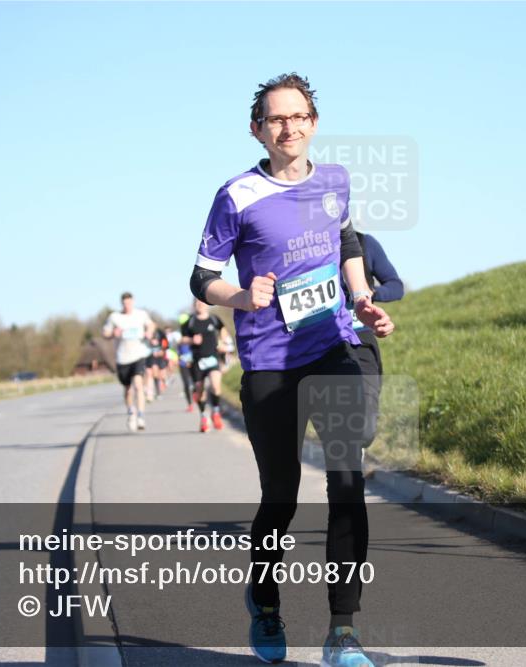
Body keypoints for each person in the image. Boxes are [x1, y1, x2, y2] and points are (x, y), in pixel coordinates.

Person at [189, 73, 393, 667]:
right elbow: (201, 277)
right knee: (280, 495)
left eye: (299, 116)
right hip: (270, 361)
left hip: (333, 346)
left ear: (314, 123)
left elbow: (347, 243)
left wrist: (361, 297)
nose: (289, 128)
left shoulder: (336, 180)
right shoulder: (236, 195)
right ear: (257, 129)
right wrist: (241, 295)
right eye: (276, 119)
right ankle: (266, 600)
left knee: (347, 481)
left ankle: (343, 632)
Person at [343, 229, 404, 439]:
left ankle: (356, 446)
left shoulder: (364, 243)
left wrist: (371, 293)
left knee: (366, 428)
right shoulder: (305, 246)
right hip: (319, 340)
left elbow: (396, 286)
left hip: (360, 337)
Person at [102, 292, 155, 431]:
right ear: (121, 304)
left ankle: (141, 416)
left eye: (129, 303)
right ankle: (131, 412)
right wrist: (113, 333)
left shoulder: (141, 314)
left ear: (133, 302)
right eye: (125, 303)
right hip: (122, 358)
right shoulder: (115, 317)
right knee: (128, 389)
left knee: (138, 385)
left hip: (138, 355)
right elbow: (105, 333)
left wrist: (149, 332)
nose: (127, 306)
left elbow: (151, 325)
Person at [181, 299, 227, 432]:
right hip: (197, 361)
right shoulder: (189, 322)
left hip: (213, 358)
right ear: (193, 305)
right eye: (197, 303)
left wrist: (223, 341)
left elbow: (222, 329)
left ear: (207, 304)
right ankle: (203, 417)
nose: (200, 305)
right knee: (200, 392)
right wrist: (191, 340)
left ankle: (216, 412)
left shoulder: (214, 319)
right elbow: (182, 339)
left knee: (216, 386)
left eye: (202, 302)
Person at [175, 313, 196, 412]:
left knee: (196, 382)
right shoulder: (178, 336)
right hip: (183, 363)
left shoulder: (194, 333)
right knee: (186, 384)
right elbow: (175, 350)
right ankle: (190, 404)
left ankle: (196, 396)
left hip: (193, 361)